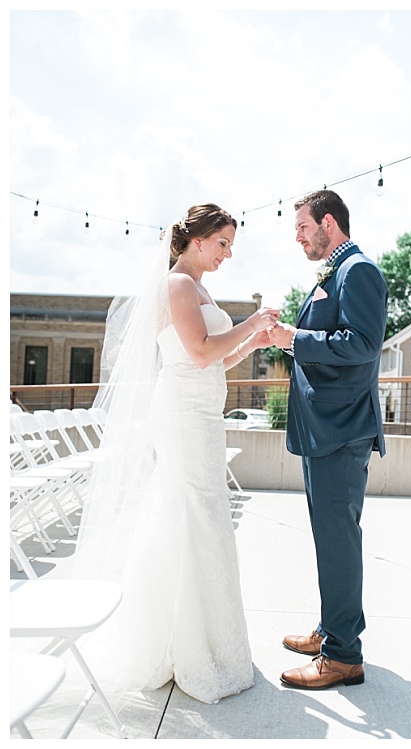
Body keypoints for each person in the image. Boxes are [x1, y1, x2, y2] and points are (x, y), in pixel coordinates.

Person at [73, 203, 280, 704]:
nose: (228, 254)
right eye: (224, 243)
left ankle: (205, 639)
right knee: (192, 514)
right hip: (184, 415)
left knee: (204, 516)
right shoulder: (177, 286)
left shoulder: (200, 288)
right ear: (199, 238)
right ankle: (178, 643)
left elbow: (218, 359)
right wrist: (251, 321)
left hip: (203, 410)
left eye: (232, 246)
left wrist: (253, 342)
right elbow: (202, 352)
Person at [267, 189, 388, 690]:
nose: (297, 236)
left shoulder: (357, 270)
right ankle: (333, 628)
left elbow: (361, 345)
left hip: (341, 431)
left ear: (328, 223)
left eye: (301, 227)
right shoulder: (333, 272)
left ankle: (343, 656)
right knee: (329, 541)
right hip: (323, 431)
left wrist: (292, 338)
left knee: (338, 541)